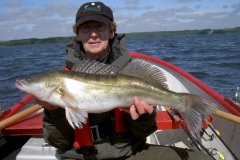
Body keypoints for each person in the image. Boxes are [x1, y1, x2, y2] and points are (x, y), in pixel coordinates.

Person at [39, 2, 213, 160]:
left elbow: (143, 133)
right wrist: (53, 111)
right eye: (85, 28)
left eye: (99, 26)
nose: (93, 34)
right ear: (78, 34)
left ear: (111, 30)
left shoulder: (129, 70)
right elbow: (59, 143)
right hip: (78, 157)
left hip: (129, 153)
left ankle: (187, 104)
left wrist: (142, 117)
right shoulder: (64, 78)